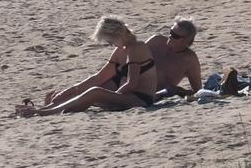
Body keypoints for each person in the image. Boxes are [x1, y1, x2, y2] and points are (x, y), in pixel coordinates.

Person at [17, 16, 160, 116]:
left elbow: (132, 83)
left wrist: (110, 97)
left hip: (140, 99)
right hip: (127, 96)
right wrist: (68, 91)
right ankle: (49, 108)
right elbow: (98, 77)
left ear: (117, 35)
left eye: (109, 41)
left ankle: (45, 111)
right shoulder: (120, 50)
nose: (109, 44)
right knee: (80, 93)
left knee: (95, 92)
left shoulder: (136, 47)